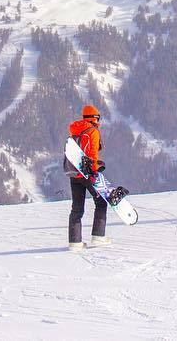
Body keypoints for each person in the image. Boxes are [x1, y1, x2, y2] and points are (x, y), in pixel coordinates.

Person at [67, 104, 109, 251]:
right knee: (102, 202)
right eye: (98, 118)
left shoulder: (75, 131)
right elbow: (92, 154)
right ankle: (98, 236)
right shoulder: (93, 131)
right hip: (88, 174)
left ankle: (75, 242)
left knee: (77, 209)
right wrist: (95, 171)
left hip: (74, 173)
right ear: (94, 118)